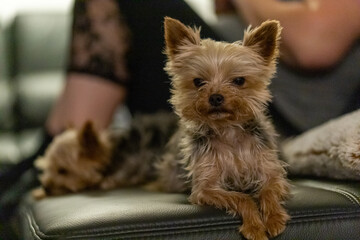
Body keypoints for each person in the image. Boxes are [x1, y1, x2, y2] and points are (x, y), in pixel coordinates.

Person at [1, 0, 359, 229]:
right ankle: (46, 162)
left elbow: (315, 45)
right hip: (206, 107)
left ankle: (36, 167)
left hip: (279, 113)